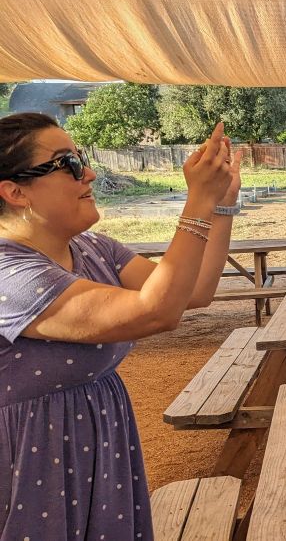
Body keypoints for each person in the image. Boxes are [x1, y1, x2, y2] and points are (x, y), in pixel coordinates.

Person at [0, 113, 241, 539]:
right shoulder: (9, 274)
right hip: (29, 454)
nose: (88, 173)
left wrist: (220, 205)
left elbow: (195, 292)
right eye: (69, 164)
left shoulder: (93, 248)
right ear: (15, 191)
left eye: (83, 159)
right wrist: (197, 202)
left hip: (97, 434)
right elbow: (156, 311)